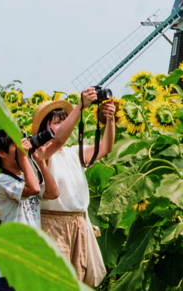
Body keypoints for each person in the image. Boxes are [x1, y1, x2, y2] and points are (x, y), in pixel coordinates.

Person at [32, 90, 116, 288]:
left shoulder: (73, 152)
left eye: (65, 120)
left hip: (79, 222)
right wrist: (80, 107)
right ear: (46, 128)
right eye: (57, 122)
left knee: (78, 280)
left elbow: (105, 148)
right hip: (53, 224)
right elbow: (58, 139)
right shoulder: (41, 154)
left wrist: (110, 120)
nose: (64, 126)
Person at [0, 129, 58, 291]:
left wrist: (41, 162)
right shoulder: (0, 180)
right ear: (1, 153)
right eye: (17, 145)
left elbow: (52, 192)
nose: (24, 148)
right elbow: (33, 189)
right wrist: (23, 157)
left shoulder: (26, 177)